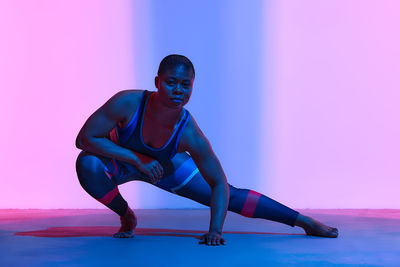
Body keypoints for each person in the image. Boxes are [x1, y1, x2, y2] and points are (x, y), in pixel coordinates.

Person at [75, 54, 338, 246]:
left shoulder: (189, 132)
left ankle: (304, 222)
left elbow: (219, 183)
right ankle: (127, 216)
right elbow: (84, 138)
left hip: (165, 169)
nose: (178, 90)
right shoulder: (128, 102)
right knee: (87, 163)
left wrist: (215, 230)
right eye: (171, 82)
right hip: (122, 162)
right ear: (157, 81)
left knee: (230, 195)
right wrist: (137, 158)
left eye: (185, 84)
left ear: (192, 86)